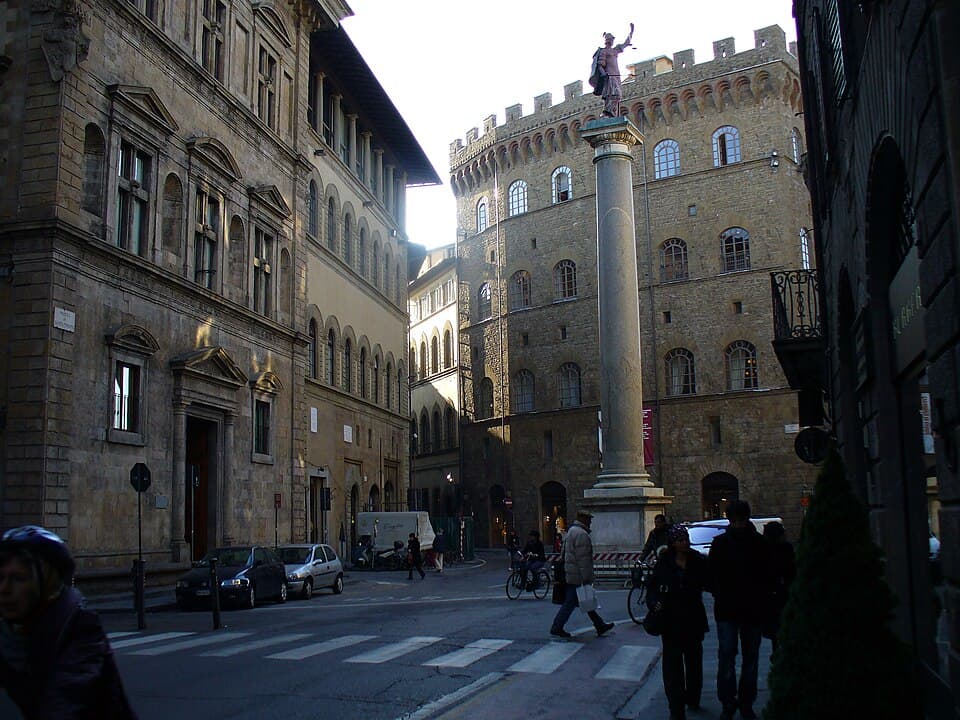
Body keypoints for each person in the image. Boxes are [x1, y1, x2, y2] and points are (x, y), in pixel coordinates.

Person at [0, 525, 137, 719]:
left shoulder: (80, 627)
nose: (4, 589)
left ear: (48, 584)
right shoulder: (10, 631)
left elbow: (67, 696)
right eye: (1, 577)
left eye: (19, 578)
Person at [708, 500, 772, 720]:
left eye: (739, 520)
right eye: (734, 520)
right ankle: (731, 702)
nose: (737, 524)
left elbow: (767, 576)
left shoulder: (758, 544)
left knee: (745, 657)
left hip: (747, 608)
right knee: (731, 655)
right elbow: (712, 575)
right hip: (731, 608)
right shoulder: (722, 544)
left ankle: (743, 702)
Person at [646, 525, 710, 720]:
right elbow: (652, 587)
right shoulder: (664, 562)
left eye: (686, 539)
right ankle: (676, 707)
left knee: (694, 662)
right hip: (671, 619)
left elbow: (709, 581)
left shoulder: (697, 560)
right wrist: (654, 603)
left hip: (693, 618)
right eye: (680, 540)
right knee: (673, 666)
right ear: (673, 543)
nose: (684, 543)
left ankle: (693, 696)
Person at [549, 510, 615, 639]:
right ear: (583, 519)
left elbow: (563, 554)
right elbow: (583, 559)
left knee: (587, 601)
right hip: (578, 575)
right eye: (589, 519)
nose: (590, 522)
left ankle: (599, 625)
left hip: (571, 572)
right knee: (571, 602)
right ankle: (557, 627)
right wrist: (587, 578)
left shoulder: (571, 532)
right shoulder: (582, 534)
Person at [762, 521, 795, 653]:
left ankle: (777, 650)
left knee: (775, 629)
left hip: (771, 594)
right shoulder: (786, 549)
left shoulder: (764, 550)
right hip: (782, 592)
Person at [589, 24, 634, 117]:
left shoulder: (615, 50)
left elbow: (626, 43)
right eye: (609, 39)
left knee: (614, 95)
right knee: (614, 94)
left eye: (612, 39)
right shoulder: (603, 51)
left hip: (616, 75)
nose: (611, 41)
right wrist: (603, 74)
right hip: (609, 75)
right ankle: (607, 111)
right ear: (606, 41)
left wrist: (631, 32)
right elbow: (600, 65)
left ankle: (610, 113)